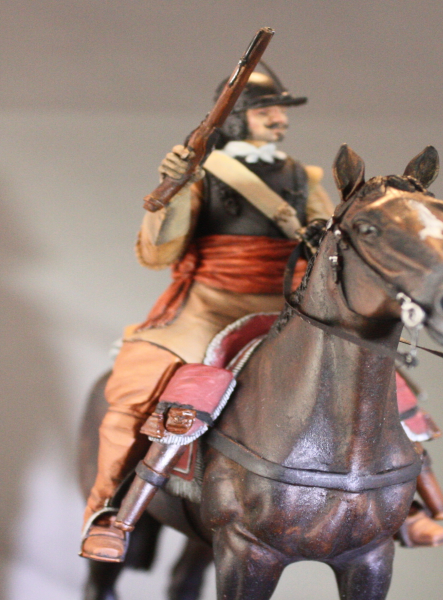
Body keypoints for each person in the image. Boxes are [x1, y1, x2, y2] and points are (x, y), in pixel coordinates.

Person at [81, 69, 334, 562]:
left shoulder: (304, 179)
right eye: (266, 110)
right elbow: (159, 252)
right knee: (136, 391)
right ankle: (108, 511)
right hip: (210, 307)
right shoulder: (204, 171)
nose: (279, 119)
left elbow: (326, 242)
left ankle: (405, 498)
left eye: (281, 111)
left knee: (371, 377)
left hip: (287, 310)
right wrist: (175, 188)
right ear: (237, 118)